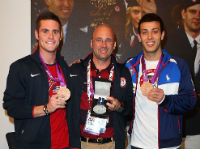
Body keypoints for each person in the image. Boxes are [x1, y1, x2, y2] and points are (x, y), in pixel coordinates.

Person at [3, 11, 76, 149]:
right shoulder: (21, 67)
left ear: (61, 36)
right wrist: (46, 108)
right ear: (37, 34)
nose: (51, 36)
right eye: (45, 31)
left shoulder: (65, 68)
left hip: (64, 144)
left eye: (55, 32)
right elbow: (11, 107)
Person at [125, 13, 197, 149]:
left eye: (155, 31)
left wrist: (165, 100)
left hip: (169, 146)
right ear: (139, 37)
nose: (150, 37)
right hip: (137, 144)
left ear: (162, 35)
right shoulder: (129, 66)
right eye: (145, 32)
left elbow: (190, 101)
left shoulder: (178, 65)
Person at [69, 24, 133, 149]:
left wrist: (119, 107)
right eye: (99, 40)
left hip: (112, 144)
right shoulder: (76, 70)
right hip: (82, 144)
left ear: (114, 45)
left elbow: (130, 111)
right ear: (91, 43)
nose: (103, 45)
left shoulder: (123, 72)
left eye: (108, 40)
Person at [165, 1, 200, 148]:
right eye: (193, 11)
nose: (197, 16)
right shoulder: (168, 43)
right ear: (183, 13)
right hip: (175, 126)